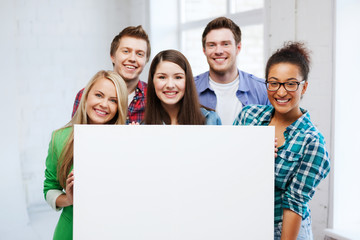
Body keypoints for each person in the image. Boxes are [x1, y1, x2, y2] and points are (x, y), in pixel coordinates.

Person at [234, 42, 330, 239]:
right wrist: (252, 155)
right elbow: (227, 163)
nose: (281, 92)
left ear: (304, 87)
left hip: (284, 228)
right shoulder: (249, 116)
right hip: (247, 220)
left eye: (291, 83)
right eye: (274, 83)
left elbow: (294, 205)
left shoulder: (312, 142)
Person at [43, 70, 128, 240]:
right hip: (71, 231)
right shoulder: (60, 138)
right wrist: (68, 199)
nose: (104, 104)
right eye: (99, 95)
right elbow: (49, 188)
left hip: (113, 230)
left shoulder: (125, 142)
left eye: (113, 100)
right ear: (86, 96)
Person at [195, 16, 269, 125]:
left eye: (225, 44)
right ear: (204, 50)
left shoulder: (263, 90)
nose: (219, 51)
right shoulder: (189, 89)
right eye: (212, 45)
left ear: (238, 48)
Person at [72, 25, 150, 124]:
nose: (132, 59)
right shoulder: (85, 95)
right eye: (126, 51)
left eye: (140, 54)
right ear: (112, 56)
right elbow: (77, 136)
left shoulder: (153, 97)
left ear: (146, 60)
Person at [144, 49, 221, 125]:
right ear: (152, 80)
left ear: (187, 80)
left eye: (178, 77)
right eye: (162, 77)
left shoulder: (211, 119)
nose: (170, 85)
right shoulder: (144, 127)